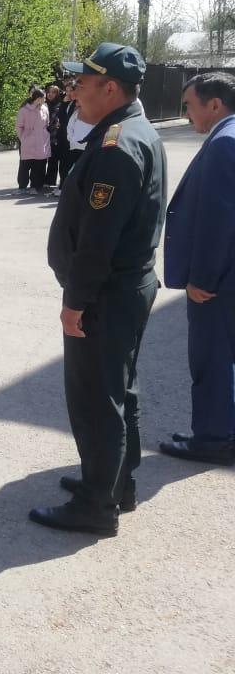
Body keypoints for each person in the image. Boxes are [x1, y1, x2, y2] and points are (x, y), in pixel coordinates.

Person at [32, 42, 166, 536]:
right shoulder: (129, 130)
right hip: (124, 287)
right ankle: (115, 484)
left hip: (106, 292)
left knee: (95, 398)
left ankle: (96, 506)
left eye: (82, 83)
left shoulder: (116, 146)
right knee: (118, 390)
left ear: (110, 88)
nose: (74, 91)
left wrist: (75, 303)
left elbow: (97, 241)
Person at [158, 72, 235, 466]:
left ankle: (213, 437)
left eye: (189, 105)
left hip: (219, 283)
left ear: (214, 104)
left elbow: (219, 222)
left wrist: (200, 279)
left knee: (212, 359)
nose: (186, 114)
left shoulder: (223, 144)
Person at [15, 87, 51, 194]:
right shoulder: (24, 110)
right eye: (43, 97)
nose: (45, 99)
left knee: (39, 164)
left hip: (42, 139)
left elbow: (47, 123)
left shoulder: (45, 108)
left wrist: (45, 135)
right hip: (28, 139)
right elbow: (19, 126)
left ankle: (34, 186)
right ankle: (22, 186)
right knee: (25, 164)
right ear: (37, 98)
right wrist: (24, 138)